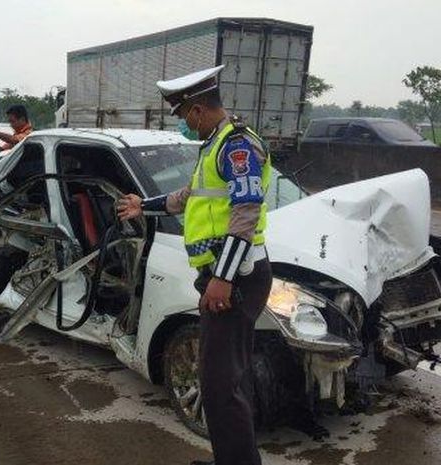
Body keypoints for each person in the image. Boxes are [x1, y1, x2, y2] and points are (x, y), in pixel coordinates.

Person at [117, 65, 272, 465]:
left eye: (185, 115)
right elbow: (190, 196)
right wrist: (143, 206)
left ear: (199, 110)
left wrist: (222, 277)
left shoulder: (236, 147)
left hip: (236, 278)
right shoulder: (217, 145)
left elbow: (246, 212)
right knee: (225, 379)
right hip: (224, 277)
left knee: (219, 385)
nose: (186, 124)